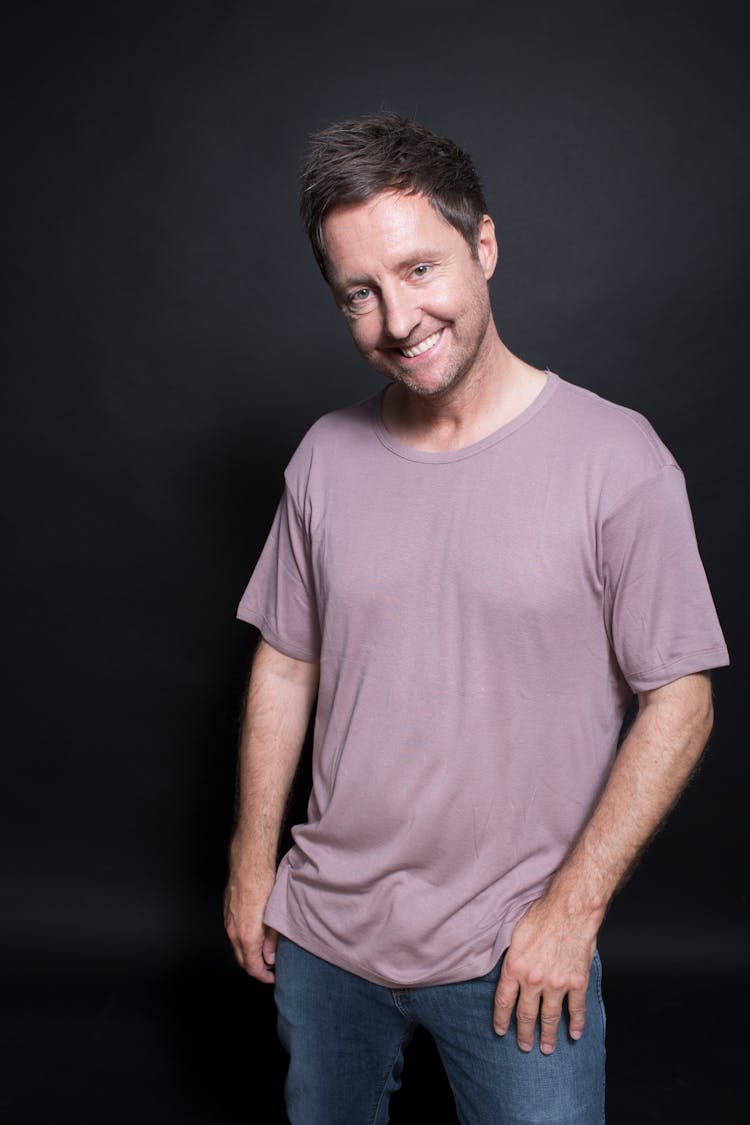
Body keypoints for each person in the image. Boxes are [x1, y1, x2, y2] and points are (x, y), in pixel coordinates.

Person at [224, 113, 729, 1124]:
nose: (396, 320)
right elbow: (286, 661)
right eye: (358, 293)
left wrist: (570, 914)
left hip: (513, 956)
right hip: (324, 941)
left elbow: (682, 699)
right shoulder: (325, 456)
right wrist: (250, 864)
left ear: (485, 246)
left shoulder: (618, 461)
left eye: (419, 271)